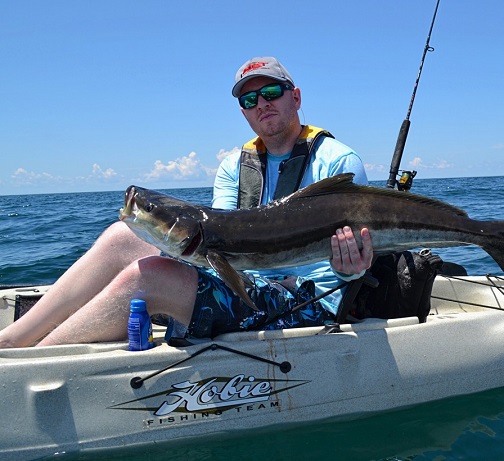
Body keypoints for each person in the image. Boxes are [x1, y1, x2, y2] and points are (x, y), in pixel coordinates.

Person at [0, 56, 373, 348]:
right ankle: (13, 340)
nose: (261, 104)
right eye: (249, 99)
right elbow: (219, 237)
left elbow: (353, 265)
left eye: (271, 93)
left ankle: (40, 363)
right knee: (119, 236)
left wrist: (352, 269)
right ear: (243, 111)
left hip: (304, 302)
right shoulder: (234, 166)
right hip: (243, 281)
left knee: (149, 278)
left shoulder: (338, 162)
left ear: (296, 96)